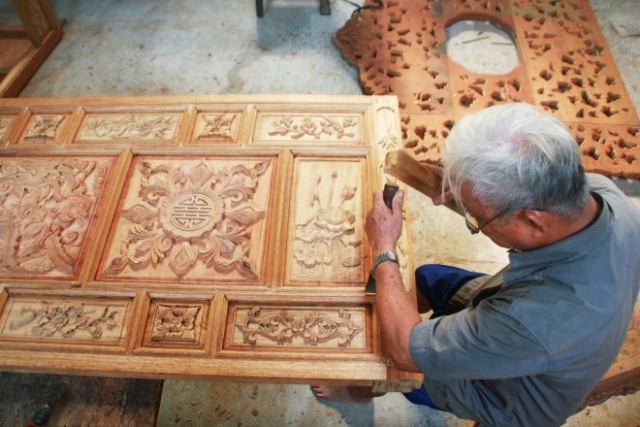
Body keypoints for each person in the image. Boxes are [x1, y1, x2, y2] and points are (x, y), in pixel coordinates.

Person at [312, 102, 640, 426]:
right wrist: (463, 189)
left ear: (534, 222)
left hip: (508, 396)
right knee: (426, 279)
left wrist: (384, 247)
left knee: (397, 360)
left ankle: (358, 390)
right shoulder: (601, 195)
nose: (473, 219)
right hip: (532, 320)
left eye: (477, 218)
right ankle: (411, 321)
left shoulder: (534, 317)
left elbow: (404, 351)